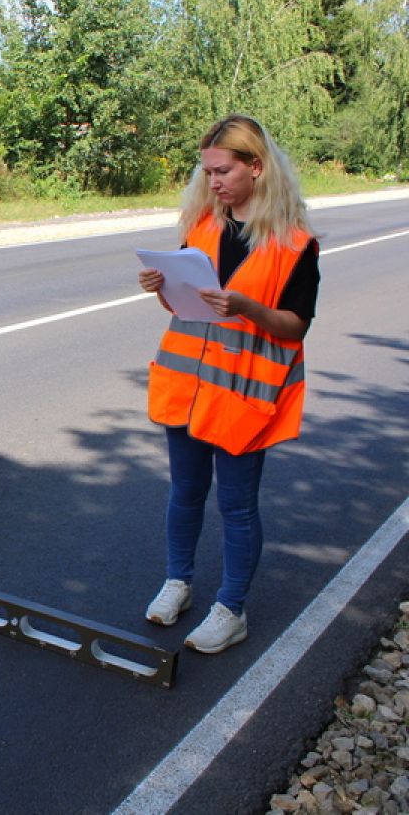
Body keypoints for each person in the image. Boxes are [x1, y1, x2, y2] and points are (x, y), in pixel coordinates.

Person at [138, 114, 320, 654]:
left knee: (237, 507)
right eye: (207, 172)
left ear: (256, 168)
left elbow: (295, 326)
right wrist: (159, 288)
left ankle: (231, 608)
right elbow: (186, 305)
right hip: (188, 388)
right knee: (185, 493)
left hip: (244, 398)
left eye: (222, 171)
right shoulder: (202, 227)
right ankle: (178, 583)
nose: (212, 182)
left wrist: (247, 308)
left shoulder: (295, 244)